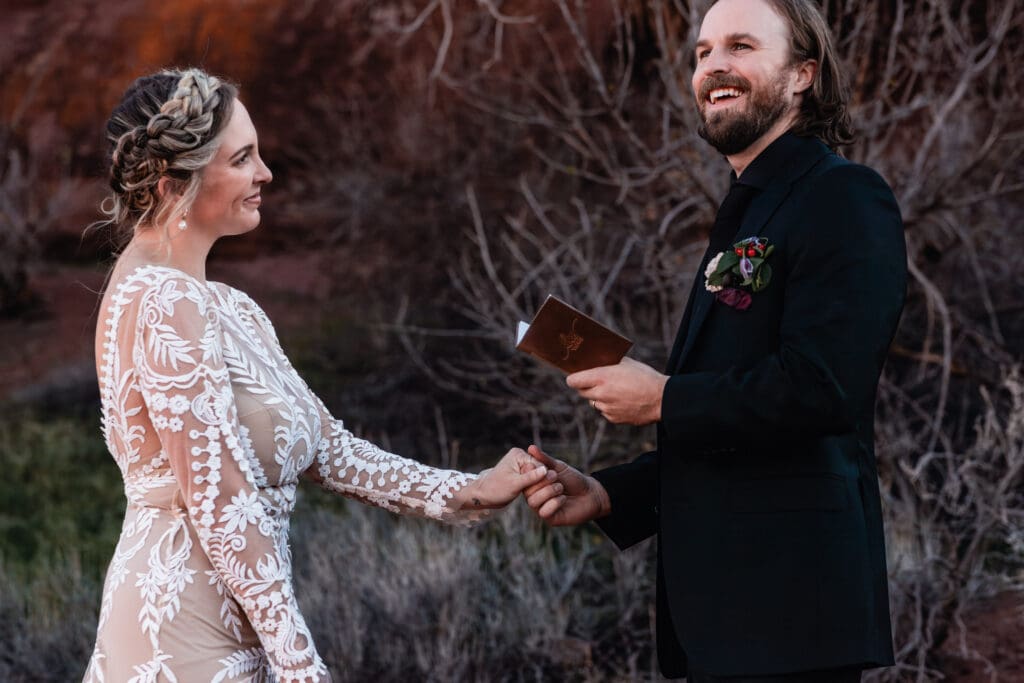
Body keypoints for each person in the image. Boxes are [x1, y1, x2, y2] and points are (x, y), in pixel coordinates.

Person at [83, 68, 548, 683]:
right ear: (175, 184)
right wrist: (301, 664)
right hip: (180, 641)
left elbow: (326, 446)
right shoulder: (164, 301)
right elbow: (220, 503)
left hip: (247, 631)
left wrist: (464, 490)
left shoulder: (227, 305)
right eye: (243, 158)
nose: (266, 173)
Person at [523, 0, 906, 680]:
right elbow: (737, 429)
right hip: (721, 630)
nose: (713, 65)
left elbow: (824, 390)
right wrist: (608, 493)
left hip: (794, 622)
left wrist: (664, 398)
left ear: (802, 76)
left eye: (740, 46)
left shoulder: (844, 197)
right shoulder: (745, 211)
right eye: (702, 52)